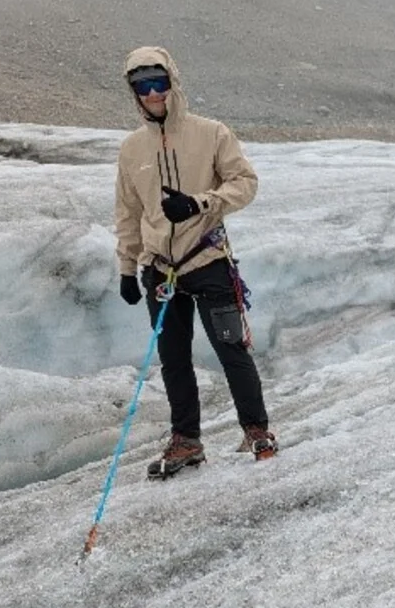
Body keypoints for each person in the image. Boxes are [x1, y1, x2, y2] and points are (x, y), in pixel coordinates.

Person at [114, 46, 276, 480]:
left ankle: (257, 430)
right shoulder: (131, 149)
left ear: (173, 81)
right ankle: (186, 441)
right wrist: (129, 269)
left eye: (158, 81)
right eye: (141, 85)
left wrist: (202, 203)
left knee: (230, 347)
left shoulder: (211, 133)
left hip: (206, 258)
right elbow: (128, 213)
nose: (152, 93)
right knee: (173, 358)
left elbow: (245, 182)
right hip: (159, 269)